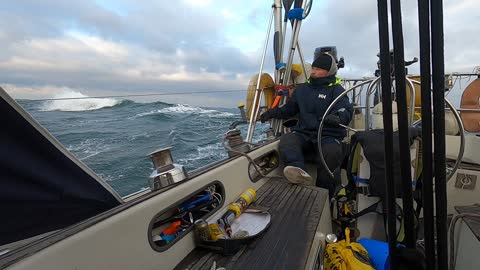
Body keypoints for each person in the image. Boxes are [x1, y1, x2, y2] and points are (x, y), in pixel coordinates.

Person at [260, 53, 353, 197]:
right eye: (313, 68)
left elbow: (345, 109)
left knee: (331, 152)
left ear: (329, 72)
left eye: (318, 69)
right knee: (288, 139)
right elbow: (289, 109)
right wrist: (272, 113)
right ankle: (298, 173)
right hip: (305, 134)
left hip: (328, 135)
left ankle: (323, 192)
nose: (313, 71)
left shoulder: (337, 90)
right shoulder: (303, 89)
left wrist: (337, 117)